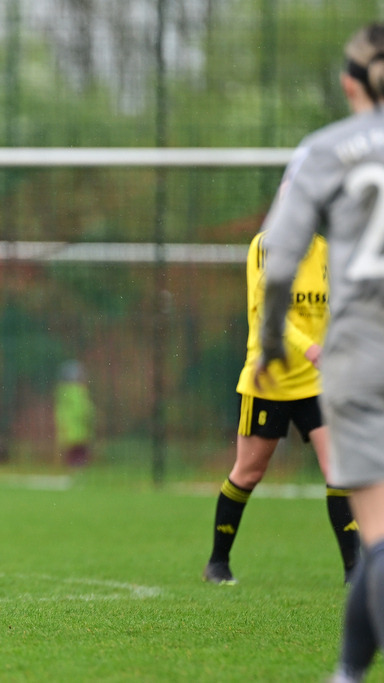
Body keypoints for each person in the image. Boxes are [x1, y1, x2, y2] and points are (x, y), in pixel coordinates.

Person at [254, 23, 384, 681]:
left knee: (380, 535)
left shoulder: (327, 149)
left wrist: (270, 341)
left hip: (361, 352)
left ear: (348, 81)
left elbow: (277, 261)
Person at [202, 231, 359, 586]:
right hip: (268, 380)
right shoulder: (267, 246)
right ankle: (217, 563)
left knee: (338, 469)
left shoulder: (325, 250)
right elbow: (267, 312)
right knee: (249, 472)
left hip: (317, 384)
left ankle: (355, 571)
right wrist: (310, 348)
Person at [54, 360, 96, 468]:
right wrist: (90, 416)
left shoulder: (63, 392)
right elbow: (82, 409)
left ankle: (73, 467)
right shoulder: (77, 392)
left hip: (68, 428)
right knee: (79, 452)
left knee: (72, 452)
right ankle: (77, 468)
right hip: (79, 428)